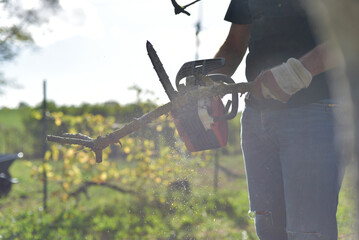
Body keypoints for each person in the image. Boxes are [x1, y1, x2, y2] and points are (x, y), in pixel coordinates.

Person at [213, 0, 346, 239]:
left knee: (309, 232)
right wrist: (206, 85)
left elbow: (349, 31)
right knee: (269, 229)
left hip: (315, 111)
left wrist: (298, 71)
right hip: (256, 118)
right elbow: (234, 47)